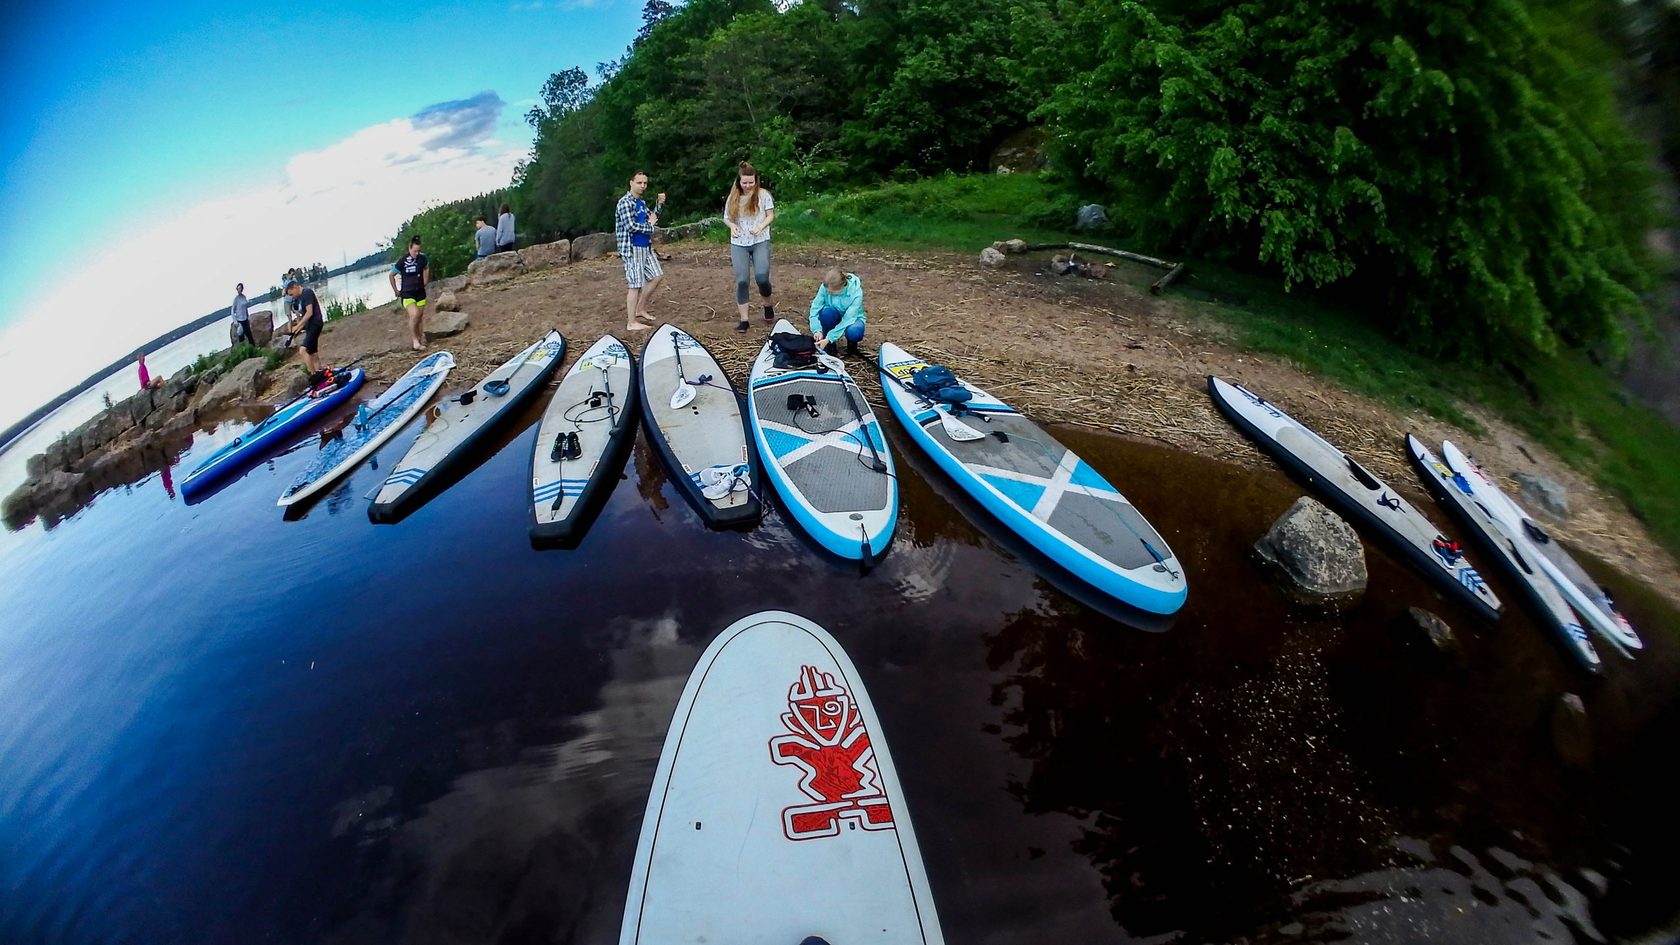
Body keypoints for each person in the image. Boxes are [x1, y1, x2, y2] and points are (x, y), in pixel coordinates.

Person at [725, 161, 775, 332]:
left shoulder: (763, 195)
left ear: (756, 180)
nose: (748, 186)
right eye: (744, 182)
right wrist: (732, 226)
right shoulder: (733, 197)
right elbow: (726, 218)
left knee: (762, 276)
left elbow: (770, 215)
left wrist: (761, 226)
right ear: (739, 181)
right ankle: (744, 319)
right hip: (739, 243)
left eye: (751, 182)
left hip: (760, 240)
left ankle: (767, 304)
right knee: (742, 280)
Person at [614, 171, 665, 332]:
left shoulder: (640, 203)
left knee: (657, 276)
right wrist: (650, 226)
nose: (643, 186)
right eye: (639, 183)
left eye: (645, 183)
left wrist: (659, 204)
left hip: (645, 247)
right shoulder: (625, 203)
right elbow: (631, 226)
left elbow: (653, 218)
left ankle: (640, 308)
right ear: (631, 183)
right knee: (635, 285)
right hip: (632, 248)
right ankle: (631, 322)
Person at [808, 268, 867, 356]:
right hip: (834, 314)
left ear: (842, 287)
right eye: (827, 290)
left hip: (853, 318)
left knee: (854, 331)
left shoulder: (856, 293)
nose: (828, 293)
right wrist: (817, 330)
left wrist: (829, 338)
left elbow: (848, 319)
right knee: (826, 313)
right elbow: (815, 308)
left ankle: (851, 345)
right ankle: (830, 346)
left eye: (832, 292)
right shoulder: (825, 287)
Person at [388, 236, 430, 350]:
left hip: (420, 292)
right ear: (409, 248)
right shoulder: (403, 261)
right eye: (414, 251)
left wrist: (425, 280)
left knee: (420, 318)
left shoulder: (422, 258)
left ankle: (420, 340)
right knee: (414, 314)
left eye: (418, 251)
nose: (416, 253)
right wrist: (396, 291)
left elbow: (426, 268)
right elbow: (391, 275)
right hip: (407, 293)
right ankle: (415, 341)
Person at [285, 279, 326, 373]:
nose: (292, 297)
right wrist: (297, 330)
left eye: (291, 294)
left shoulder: (307, 293)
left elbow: (309, 313)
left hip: (315, 324)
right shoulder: (300, 298)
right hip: (310, 326)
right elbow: (304, 318)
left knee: (302, 351)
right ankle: (319, 372)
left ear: (295, 287)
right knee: (313, 353)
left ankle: (314, 375)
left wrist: (297, 325)